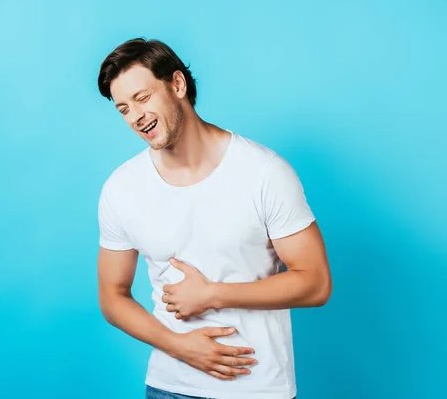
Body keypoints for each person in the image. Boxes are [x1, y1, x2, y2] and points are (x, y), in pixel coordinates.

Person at [96, 37, 332, 399]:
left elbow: (315, 283)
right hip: (168, 387)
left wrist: (213, 295)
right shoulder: (121, 187)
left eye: (142, 98)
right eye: (123, 108)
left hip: (257, 389)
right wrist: (178, 346)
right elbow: (113, 297)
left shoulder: (264, 172)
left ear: (177, 84)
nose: (136, 117)